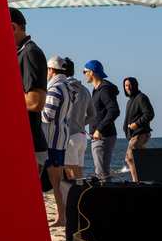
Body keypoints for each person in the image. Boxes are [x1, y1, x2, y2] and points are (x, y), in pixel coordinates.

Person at [11, 8, 49, 177]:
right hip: (24, 145)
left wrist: (1, 96)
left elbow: (36, 102)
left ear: (13, 27)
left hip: (30, 147)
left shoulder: (30, 53)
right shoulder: (21, 53)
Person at [40, 56, 76, 226]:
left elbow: (47, 115)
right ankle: (63, 216)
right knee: (59, 181)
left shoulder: (55, 88)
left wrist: (35, 109)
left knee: (56, 182)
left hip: (52, 139)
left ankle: (62, 217)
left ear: (51, 70)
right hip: (61, 138)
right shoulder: (68, 87)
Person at [82, 59, 120, 177]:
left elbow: (114, 110)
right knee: (100, 172)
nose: (84, 74)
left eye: (85, 72)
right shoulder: (97, 89)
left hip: (104, 136)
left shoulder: (104, 89)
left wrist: (99, 129)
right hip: (99, 137)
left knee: (102, 173)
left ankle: (107, 195)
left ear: (92, 72)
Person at [62, 57, 92, 184]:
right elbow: (92, 114)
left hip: (70, 136)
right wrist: (80, 122)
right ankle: (82, 202)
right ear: (73, 72)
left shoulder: (63, 88)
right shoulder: (85, 89)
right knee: (79, 177)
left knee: (72, 178)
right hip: (82, 136)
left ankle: (76, 203)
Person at [123, 77, 155, 181]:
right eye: (126, 85)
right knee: (139, 160)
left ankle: (136, 182)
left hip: (140, 134)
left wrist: (136, 124)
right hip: (134, 134)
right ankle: (143, 181)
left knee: (130, 159)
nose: (128, 87)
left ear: (135, 85)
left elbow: (149, 114)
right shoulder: (130, 101)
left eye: (130, 85)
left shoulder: (141, 97)